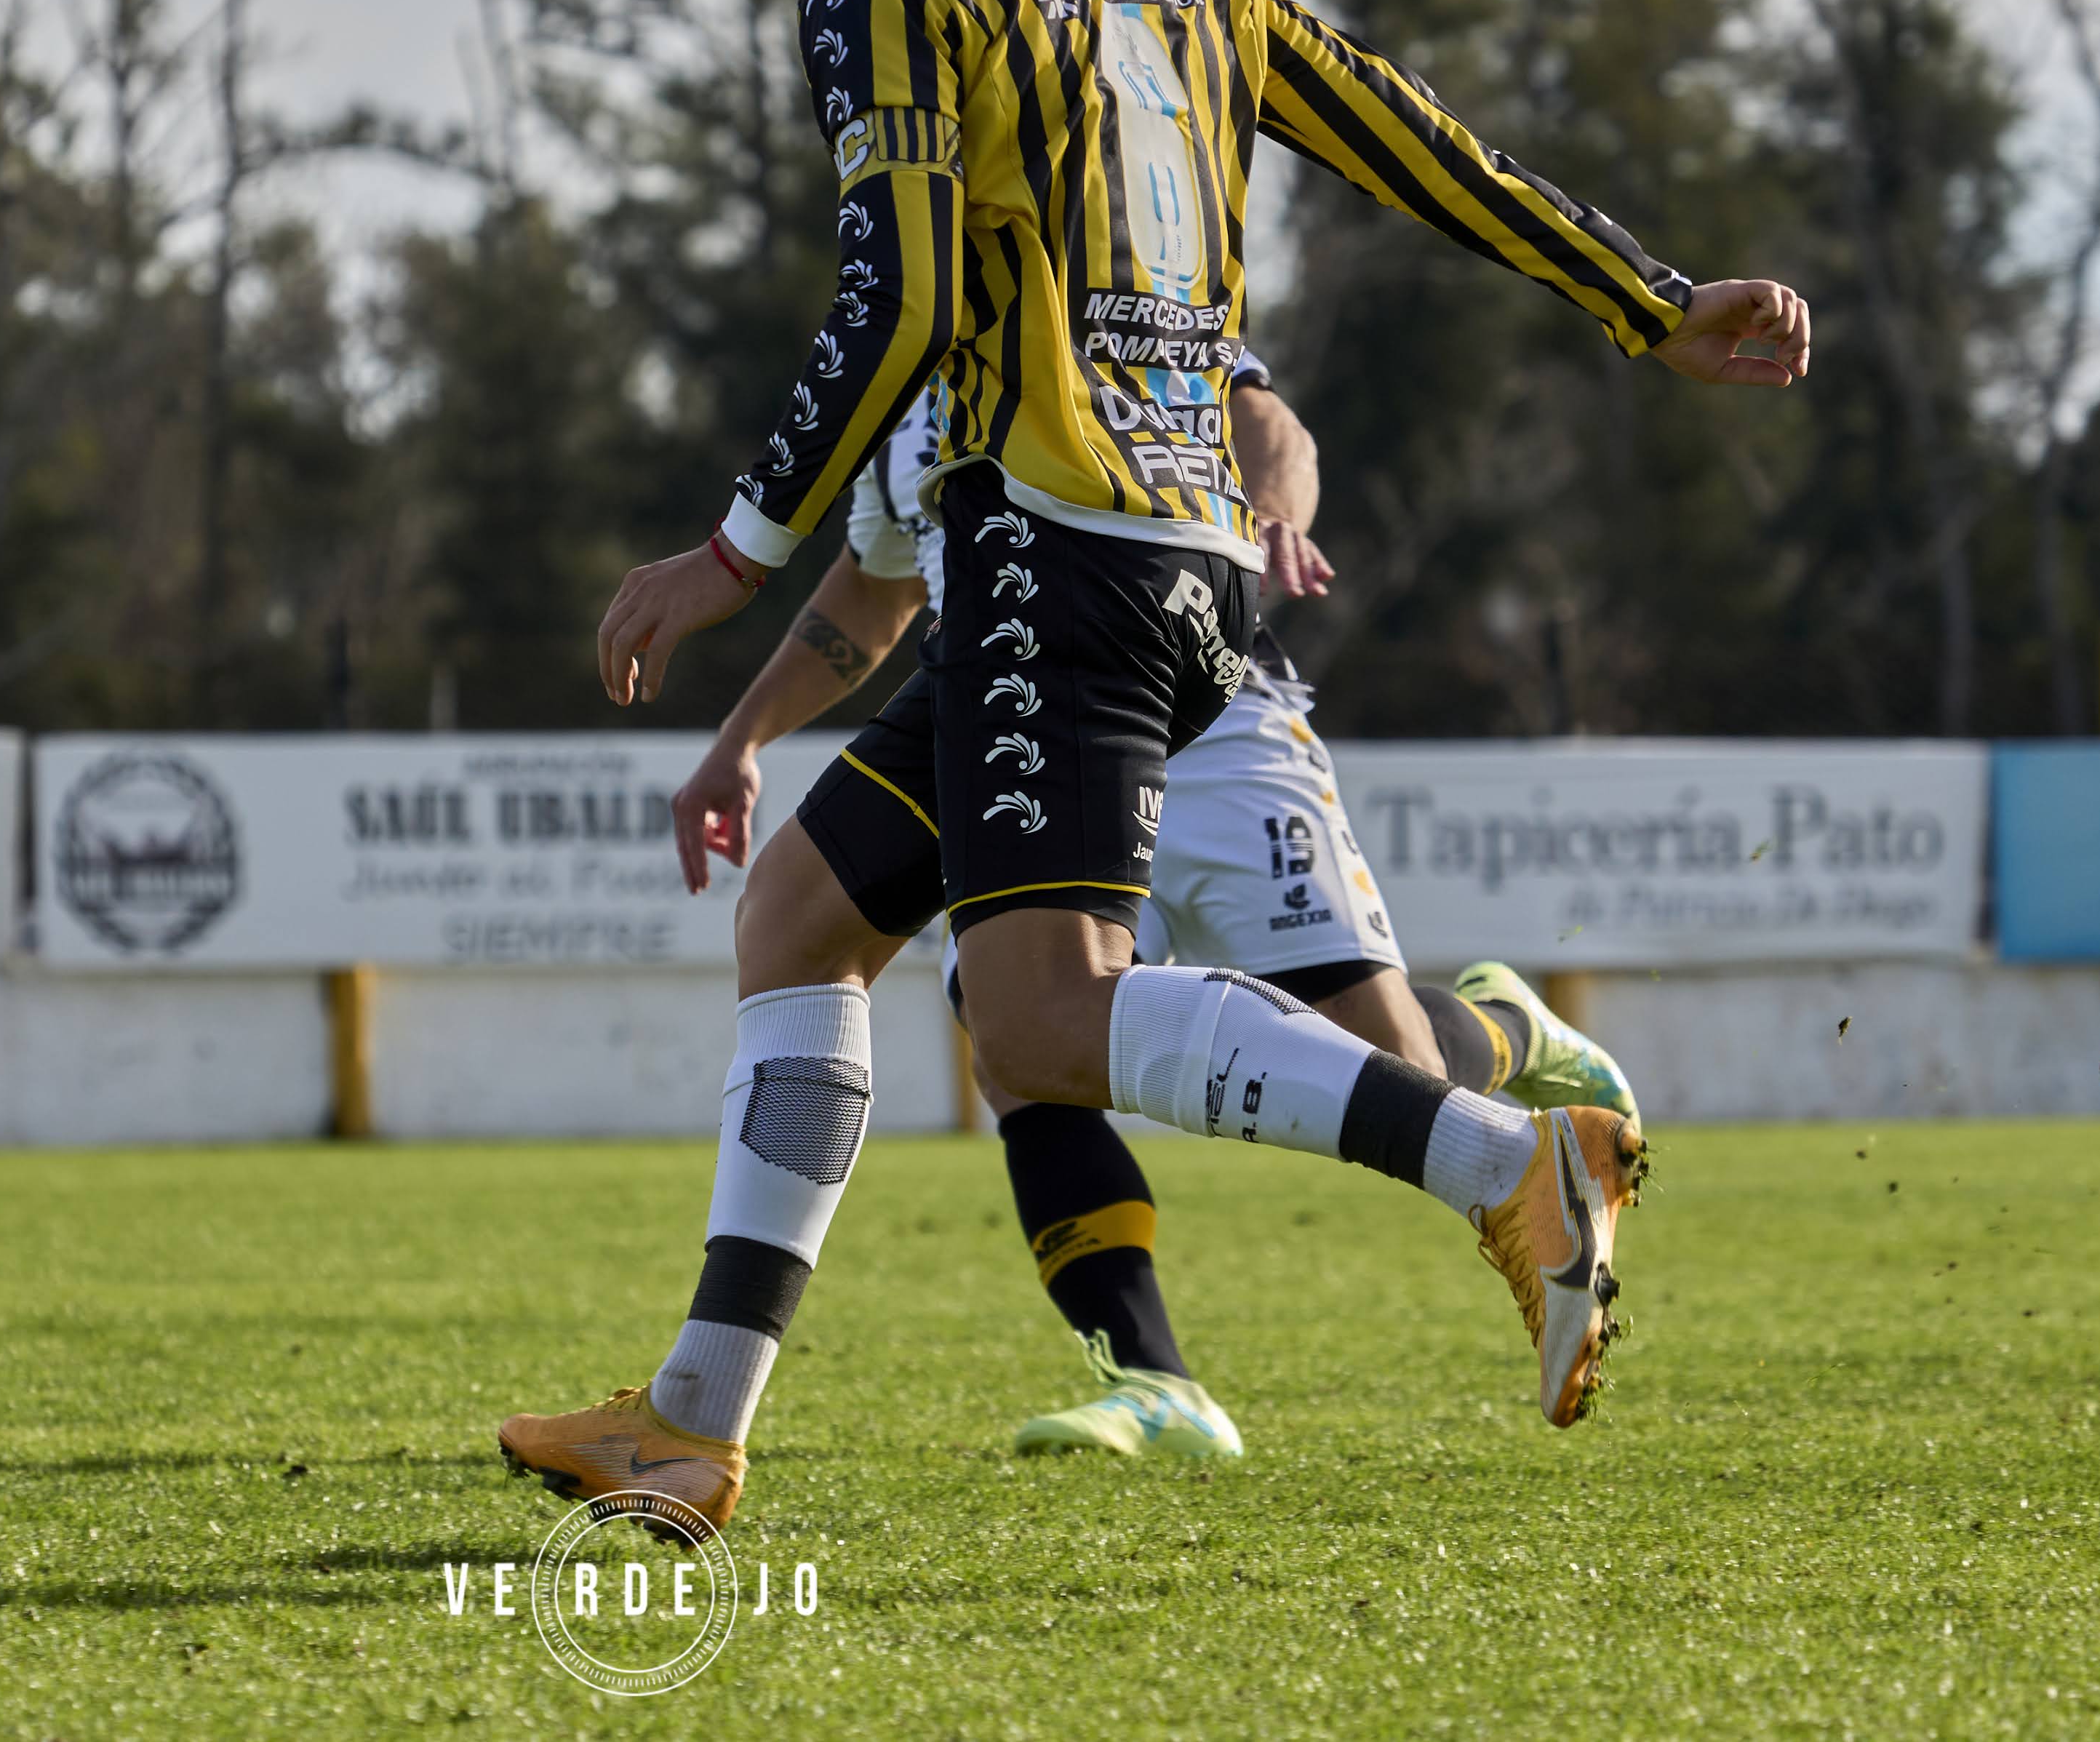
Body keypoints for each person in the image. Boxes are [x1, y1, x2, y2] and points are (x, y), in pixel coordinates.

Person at [497, 0, 1807, 1538]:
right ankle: (693, 1419)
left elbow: (905, 291)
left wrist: (728, 545)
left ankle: (1502, 1165)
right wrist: (1649, 296)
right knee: (796, 920)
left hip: (1051, 545)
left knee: (1039, 1020)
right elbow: (1414, 139)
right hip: (1176, 549)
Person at [658, 379, 1642, 1468]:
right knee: (1019, 1041)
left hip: (1218, 730)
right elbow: (869, 593)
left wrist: (1273, 512)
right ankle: (1152, 1376)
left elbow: (1268, 419)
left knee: (1393, 1059)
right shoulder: (903, 398)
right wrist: (738, 739)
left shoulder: (1093, 295)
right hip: (1023, 730)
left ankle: (1506, 1027)